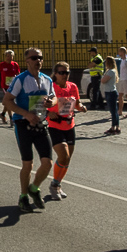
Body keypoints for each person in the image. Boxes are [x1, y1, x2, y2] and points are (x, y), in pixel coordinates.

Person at [3, 48, 57, 213]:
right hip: (23, 125)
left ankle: (34, 188)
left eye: (40, 57)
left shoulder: (47, 79)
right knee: (28, 163)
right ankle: (24, 196)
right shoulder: (20, 79)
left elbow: (54, 97)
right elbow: (7, 100)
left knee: (47, 163)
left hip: (41, 124)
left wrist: (51, 103)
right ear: (27, 60)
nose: (38, 60)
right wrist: (26, 114)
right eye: (34, 58)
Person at [47, 61, 86, 200]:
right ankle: (54, 185)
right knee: (64, 156)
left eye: (67, 72)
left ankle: (57, 184)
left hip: (70, 125)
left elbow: (76, 103)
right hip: (54, 125)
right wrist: (47, 113)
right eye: (61, 73)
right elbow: (37, 104)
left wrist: (81, 107)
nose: (65, 75)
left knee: (67, 160)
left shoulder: (73, 86)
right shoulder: (50, 87)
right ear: (55, 74)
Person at [0, 50, 20, 124]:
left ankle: (3, 114)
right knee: (9, 101)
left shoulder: (15, 64)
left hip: (13, 86)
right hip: (5, 86)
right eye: (8, 56)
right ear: (5, 56)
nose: (9, 58)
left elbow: (18, 75)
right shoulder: (2, 65)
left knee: (8, 101)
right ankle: (11, 118)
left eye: (11, 56)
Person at [100, 57, 120, 135]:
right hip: (111, 91)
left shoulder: (110, 72)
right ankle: (117, 126)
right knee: (115, 111)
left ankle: (113, 127)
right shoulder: (112, 71)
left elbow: (103, 80)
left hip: (110, 92)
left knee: (113, 111)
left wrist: (102, 76)